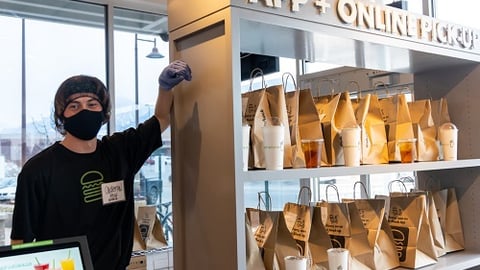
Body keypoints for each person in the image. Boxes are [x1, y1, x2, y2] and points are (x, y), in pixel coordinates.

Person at [10, 60, 192, 269]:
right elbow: (20, 242)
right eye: (74, 106)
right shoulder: (38, 170)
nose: (84, 111)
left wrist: (165, 88)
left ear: (103, 112)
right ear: (62, 115)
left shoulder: (120, 151)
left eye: (92, 104)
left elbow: (161, 119)